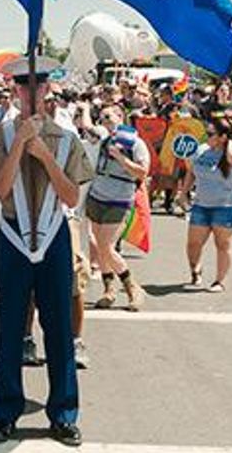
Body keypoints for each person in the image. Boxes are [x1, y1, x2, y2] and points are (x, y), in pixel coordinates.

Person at [0, 55, 92, 446]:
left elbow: (70, 195)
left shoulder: (67, 138)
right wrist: (20, 144)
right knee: (10, 327)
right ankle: (4, 412)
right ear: (15, 89)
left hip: (53, 235)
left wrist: (44, 154)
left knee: (59, 328)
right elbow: (0, 188)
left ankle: (64, 412)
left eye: (38, 85)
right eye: (23, 86)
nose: (31, 93)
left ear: (47, 89)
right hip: (13, 235)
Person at [85, 107, 149, 311]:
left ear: (120, 117)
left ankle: (132, 287)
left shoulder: (136, 144)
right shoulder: (104, 140)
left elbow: (142, 172)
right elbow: (87, 129)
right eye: (101, 118)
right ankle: (109, 289)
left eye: (108, 117)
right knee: (98, 245)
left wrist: (121, 158)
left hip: (119, 199)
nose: (104, 121)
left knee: (106, 246)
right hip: (97, 195)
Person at [179, 115, 232, 291]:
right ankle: (195, 270)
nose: (206, 137)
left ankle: (219, 281)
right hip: (201, 204)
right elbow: (191, 173)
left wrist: (228, 140)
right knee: (193, 244)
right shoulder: (201, 150)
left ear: (223, 137)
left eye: (210, 133)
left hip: (225, 207)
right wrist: (183, 193)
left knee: (223, 244)